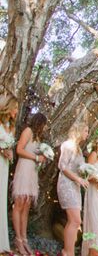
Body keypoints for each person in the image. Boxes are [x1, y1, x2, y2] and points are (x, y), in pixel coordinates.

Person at [12, 113, 48, 254]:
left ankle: (24, 238)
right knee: (19, 203)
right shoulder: (28, 131)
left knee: (26, 205)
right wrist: (36, 157)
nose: (45, 128)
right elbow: (19, 149)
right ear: (39, 122)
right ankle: (18, 239)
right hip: (24, 169)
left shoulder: (38, 137)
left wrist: (42, 159)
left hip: (32, 172)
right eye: (44, 124)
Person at [57, 122, 89, 256]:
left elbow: (78, 168)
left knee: (75, 221)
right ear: (79, 131)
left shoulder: (79, 149)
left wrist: (85, 174)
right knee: (75, 220)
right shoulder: (68, 145)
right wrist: (78, 179)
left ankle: (68, 252)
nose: (87, 133)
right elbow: (62, 167)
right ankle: (67, 252)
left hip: (75, 185)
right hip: (66, 184)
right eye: (86, 131)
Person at [0, 92, 18, 254]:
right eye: (15, 107)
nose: (16, 111)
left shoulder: (10, 127)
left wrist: (9, 152)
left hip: (4, 165)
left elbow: (9, 145)